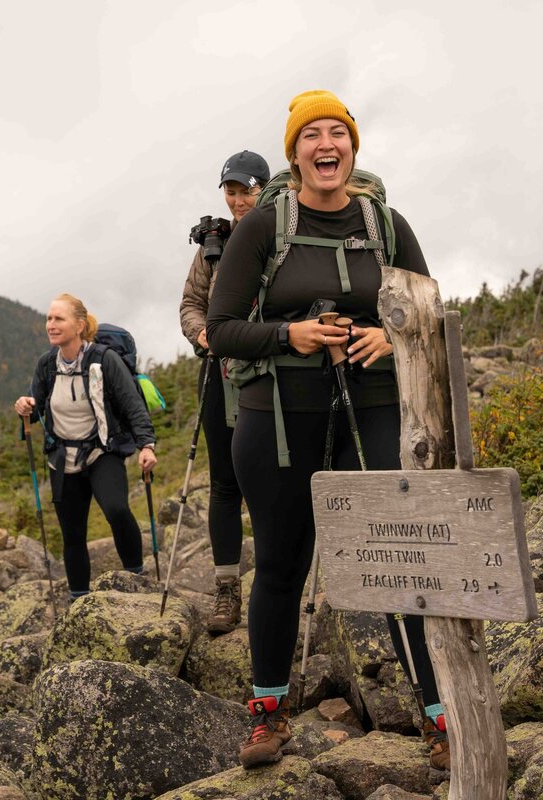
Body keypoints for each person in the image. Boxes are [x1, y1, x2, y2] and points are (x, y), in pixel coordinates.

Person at [206, 90, 449, 770]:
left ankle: (440, 719)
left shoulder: (387, 225)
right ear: (294, 153)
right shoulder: (263, 227)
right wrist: (293, 332)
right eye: (310, 135)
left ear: (352, 147)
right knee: (281, 566)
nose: (325, 145)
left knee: (402, 562)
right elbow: (222, 331)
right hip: (278, 419)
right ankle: (268, 714)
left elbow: (429, 312)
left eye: (336, 133)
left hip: (372, 409)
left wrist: (385, 336)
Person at [179, 150, 270, 635]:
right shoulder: (212, 245)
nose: (237, 200)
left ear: (265, 188)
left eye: (245, 190)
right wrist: (202, 334)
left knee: (270, 477)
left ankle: (275, 586)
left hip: (269, 372)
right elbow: (192, 302)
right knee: (223, 483)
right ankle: (227, 589)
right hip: (219, 371)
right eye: (230, 191)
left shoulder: (280, 234)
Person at [14, 293, 158, 600]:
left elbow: (133, 406)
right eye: (49, 319)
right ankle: (78, 598)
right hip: (62, 458)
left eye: (58, 319)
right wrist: (26, 406)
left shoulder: (105, 359)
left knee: (117, 510)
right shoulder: (46, 364)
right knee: (73, 534)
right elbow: (35, 406)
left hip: (101, 451)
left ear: (79, 325)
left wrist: (147, 446)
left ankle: (137, 575)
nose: (50, 325)